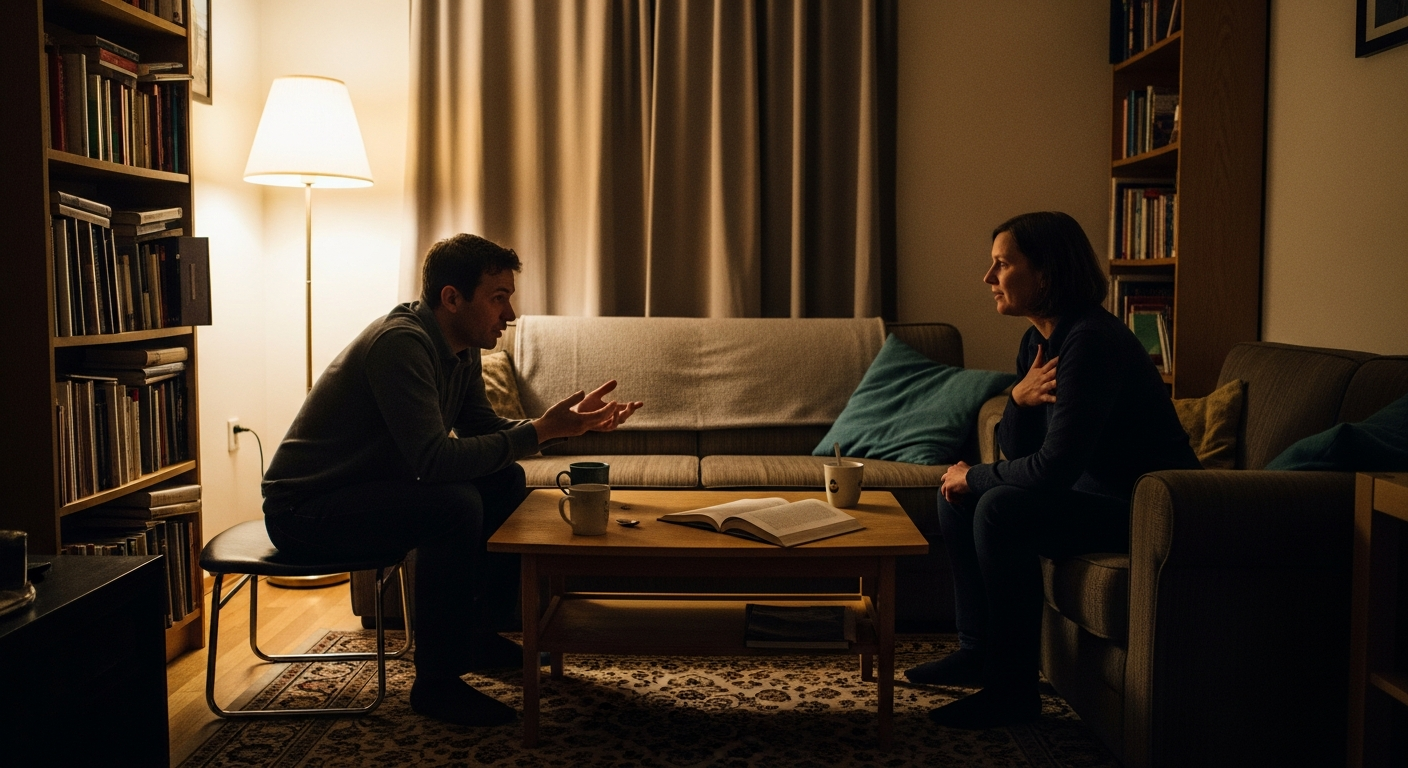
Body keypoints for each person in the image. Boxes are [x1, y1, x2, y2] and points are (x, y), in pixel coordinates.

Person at [261, 233, 643, 727]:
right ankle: (437, 685)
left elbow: (483, 430)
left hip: (362, 493)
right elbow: (433, 462)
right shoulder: (400, 344)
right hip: (305, 510)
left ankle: (478, 638)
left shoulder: (460, 349)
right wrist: (541, 431)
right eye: (498, 297)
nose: (510, 314)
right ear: (451, 298)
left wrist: (555, 427)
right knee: (454, 505)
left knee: (505, 480)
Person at [904, 211, 1199, 729]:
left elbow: (1051, 470)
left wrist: (975, 475)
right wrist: (1017, 402)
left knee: (994, 505)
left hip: (1142, 508)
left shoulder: (1091, 343)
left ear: (1045, 273)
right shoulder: (1038, 342)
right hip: (1092, 495)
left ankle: (1011, 691)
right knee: (958, 493)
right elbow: (1021, 456)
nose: (988, 278)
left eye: (1001, 265)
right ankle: (977, 651)